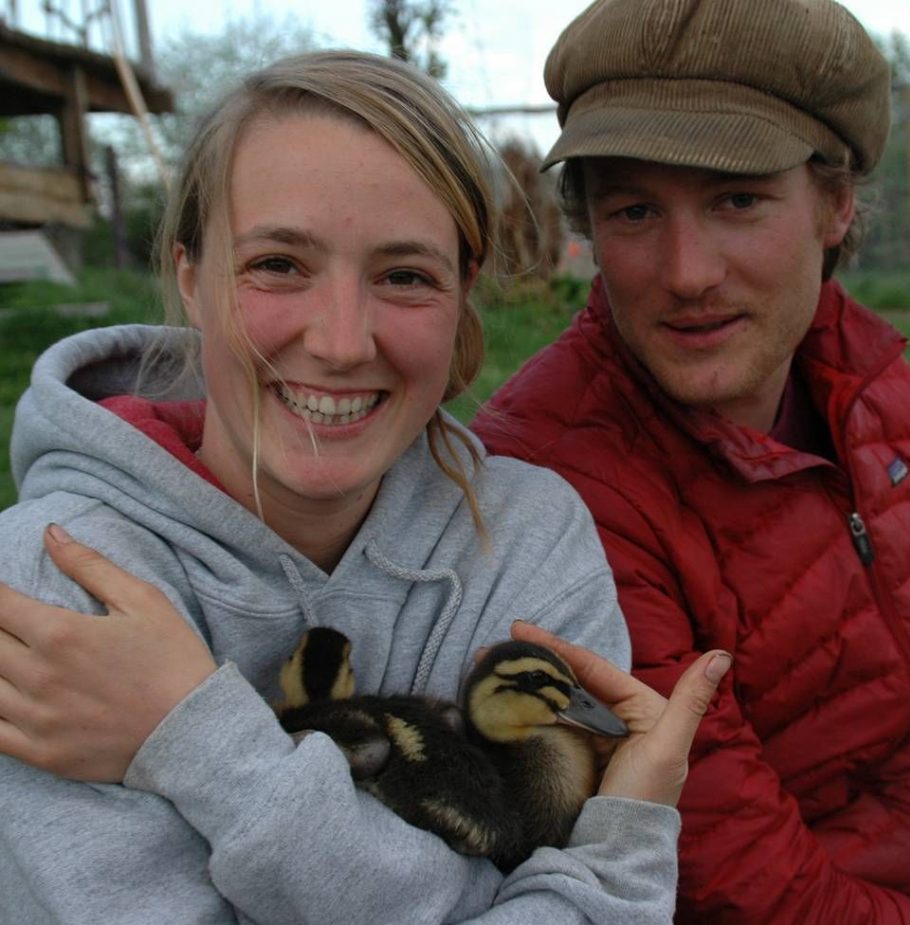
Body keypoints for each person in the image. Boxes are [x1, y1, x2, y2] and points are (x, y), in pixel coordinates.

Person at [0, 50, 731, 924]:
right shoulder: (52, 581)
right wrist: (602, 865)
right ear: (192, 279)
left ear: (464, 295)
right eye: (278, 263)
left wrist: (194, 740)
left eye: (405, 276)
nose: (344, 342)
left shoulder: (530, 539)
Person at [471, 0, 910, 922]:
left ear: (836, 204)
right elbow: (751, 891)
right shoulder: (557, 480)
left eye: (738, 200)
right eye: (636, 208)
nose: (687, 271)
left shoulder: (855, 373)